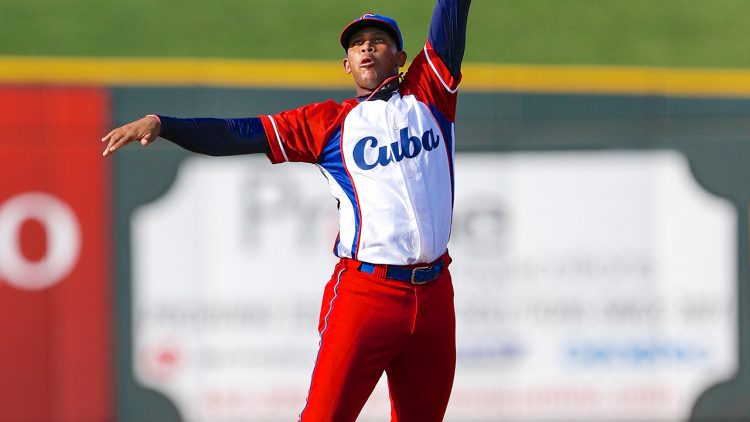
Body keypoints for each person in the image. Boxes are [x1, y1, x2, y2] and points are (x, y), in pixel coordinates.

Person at [102, 0, 470, 420]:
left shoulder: (431, 91)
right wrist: (164, 124)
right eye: (358, 45)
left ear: (401, 59)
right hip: (368, 294)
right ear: (346, 64)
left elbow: (452, 11)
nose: (367, 48)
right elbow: (236, 133)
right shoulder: (327, 123)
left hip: (435, 295)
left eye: (379, 41)